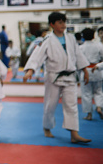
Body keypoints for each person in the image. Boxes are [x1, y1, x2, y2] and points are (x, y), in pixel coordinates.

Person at [23, 12, 91, 144]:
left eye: (64, 22)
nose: (63, 25)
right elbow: (37, 56)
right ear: (52, 24)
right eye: (60, 22)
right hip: (54, 77)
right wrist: (30, 70)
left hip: (70, 76)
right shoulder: (46, 40)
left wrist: (84, 69)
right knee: (50, 105)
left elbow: (78, 55)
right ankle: (47, 127)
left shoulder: (71, 38)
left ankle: (74, 134)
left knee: (72, 106)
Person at [79, 28, 103, 120]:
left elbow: (78, 62)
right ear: (94, 36)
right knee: (98, 92)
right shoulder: (99, 46)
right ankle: (99, 107)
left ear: (83, 37)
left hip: (86, 72)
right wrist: (99, 65)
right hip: (97, 70)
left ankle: (89, 114)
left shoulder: (81, 48)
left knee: (86, 94)